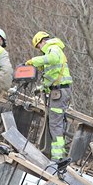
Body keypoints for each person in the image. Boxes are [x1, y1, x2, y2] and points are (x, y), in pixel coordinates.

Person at [25, 31, 73, 162]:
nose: (39, 50)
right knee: (55, 123)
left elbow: (53, 59)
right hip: (57, 91)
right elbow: (52, 76)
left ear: (42, 42)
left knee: (55, 124)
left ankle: (58, 157)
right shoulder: (51, 50)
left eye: (38, 46)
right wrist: (42, 87)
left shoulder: (53, 48)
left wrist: (34, 61)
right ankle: (57, 155)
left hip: (59, 92)